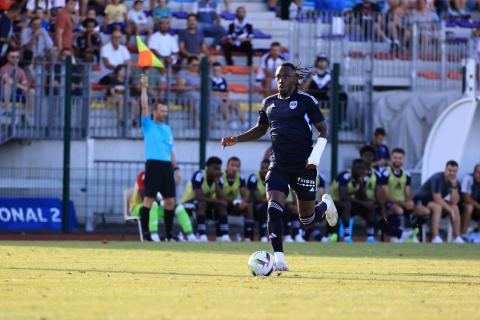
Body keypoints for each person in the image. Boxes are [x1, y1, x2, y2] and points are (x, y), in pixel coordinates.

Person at [221, 62, 338, 272]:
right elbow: (260, 129)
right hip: (279, 165)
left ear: (294, 79)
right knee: (273, 208)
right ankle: (279, 259)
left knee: (307, 218)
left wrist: (315, 157)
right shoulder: (268, 103)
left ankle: (325, 206)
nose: (281, 80)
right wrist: (236, 139)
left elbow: (323, 130)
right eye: (278, 77)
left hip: (304, 166)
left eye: (285, 76)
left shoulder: (306, 101)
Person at [139, 73, 181, 241]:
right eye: (162, 110)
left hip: (166, 167)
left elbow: (170, 150)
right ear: (155, 111)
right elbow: (143, 106)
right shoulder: (148, 125)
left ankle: (169, 234)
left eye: (166, 111)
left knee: (170, 201)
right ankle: (145, 233)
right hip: (153, 165)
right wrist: (144, 86)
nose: (164, 113)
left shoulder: (168, 128)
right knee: (149, 199)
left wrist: (176, 168)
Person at [129, 171, 198, 242]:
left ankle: (190, 235)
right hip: (137, 208)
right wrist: (160, 199)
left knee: (178, 208)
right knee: (152, 204)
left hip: (154, 209)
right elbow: (144, 196)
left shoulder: (163, 177)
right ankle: (154, 235)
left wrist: (166, 202)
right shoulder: (143, 175)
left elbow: (168, 197)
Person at [179, 156, 230, 242]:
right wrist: (219, 201)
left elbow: (221, 197)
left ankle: (223, 235)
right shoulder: (199, 175)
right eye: (215, 168)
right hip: (186, 204)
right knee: (202, 203)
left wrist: (217, 182)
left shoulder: (218, 179)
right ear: (208, 167)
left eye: (219, 169)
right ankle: (202, 234)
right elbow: (200, 197)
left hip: (202, 203)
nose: (217, 171)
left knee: (221, 206)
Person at [413, 160, 465, 243]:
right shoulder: (437, 178)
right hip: (422, 202)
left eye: (454, 171)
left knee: (455, 207)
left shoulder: (455, 182)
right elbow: (437, 198)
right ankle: (435, 237)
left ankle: (456, 237)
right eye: (449, 170)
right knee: (438, 207)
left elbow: (454, 202)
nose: (451, 173)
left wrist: (454, 187)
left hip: (434, 203)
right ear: (445, 170)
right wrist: (450, 210)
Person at [329, 159, 375, 243]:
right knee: (346, 205)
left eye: (363, 169)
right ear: (352, 168)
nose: (361, 171)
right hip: (333, 204)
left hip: (349, 204)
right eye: (358, 168)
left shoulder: (362, 178)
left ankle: (370, 237)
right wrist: (363, 203)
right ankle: (347, 236)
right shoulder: (345, 176)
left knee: (370, 206)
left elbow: (363, 197)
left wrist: (361, 184)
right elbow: (343, 197)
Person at [378, 148, 418, 243]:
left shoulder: (406, 174)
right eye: (395, 157)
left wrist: (409, 201)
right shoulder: (385, 173)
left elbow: (408, 192)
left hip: (401, 202)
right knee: (398, 209)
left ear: (403, 159)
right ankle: (399, 235)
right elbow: (386, 195)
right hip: (388, 202)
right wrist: (403, 203)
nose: (397, 160)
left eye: (399, 158)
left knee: (415, 208)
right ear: (391, 158)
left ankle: (411, 233)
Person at [221, 157, 252, 240]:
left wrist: (243, 202)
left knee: (248, 206)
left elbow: (244, 195)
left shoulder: (240, 177)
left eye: (237, 166)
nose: (234, 168)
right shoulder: (221, 176)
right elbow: (219, 196)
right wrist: (235, 202)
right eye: (232, 165)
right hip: (219, 203)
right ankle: (223, 235)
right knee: (223, 205)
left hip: (232, 204)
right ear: (227, 166)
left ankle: (248, 237)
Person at [210, 62, 244, 129]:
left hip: (224, 99)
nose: (217, 72)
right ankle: (230, 123)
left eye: (218, 70)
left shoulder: (223, 80)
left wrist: (217, 93)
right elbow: (210, 93)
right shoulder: (209, 80)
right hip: (214, 101)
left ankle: (244, 123)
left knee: (236, 103)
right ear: (212, 71)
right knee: (224, 104)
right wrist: (220, 94)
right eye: (215, 70)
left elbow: (226, 92)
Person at [0, 49, 34, 115]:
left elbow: (25, 84)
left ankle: (28, 115)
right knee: (7, 85)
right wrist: (23, 87)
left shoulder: (21, 71)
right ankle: (7, 110)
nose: (15, 59)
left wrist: (25, 88)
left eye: (17, 57)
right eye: (12, 57)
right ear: (8, 57)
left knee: (32, 92)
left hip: (16, 93)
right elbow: (9, 81)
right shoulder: (3, 69)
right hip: (3, 94)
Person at [247, 159, 270, 242]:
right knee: (261, 208)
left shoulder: (274, 178)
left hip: (267, 204)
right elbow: (257, 199)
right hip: (253, 204)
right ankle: (261, 236)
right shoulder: (254, 178)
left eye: (267, 168)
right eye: (262, 168)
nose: (264, 170)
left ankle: (288, 236)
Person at [460, 164, 480, 242]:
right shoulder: (468, 179)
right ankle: (463, 234)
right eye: (478, 173)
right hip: (462, 206)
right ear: (474, 173)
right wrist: (478, 206)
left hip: (476, 207)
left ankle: (477, 234)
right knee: (469, 207)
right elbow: (466, 198)